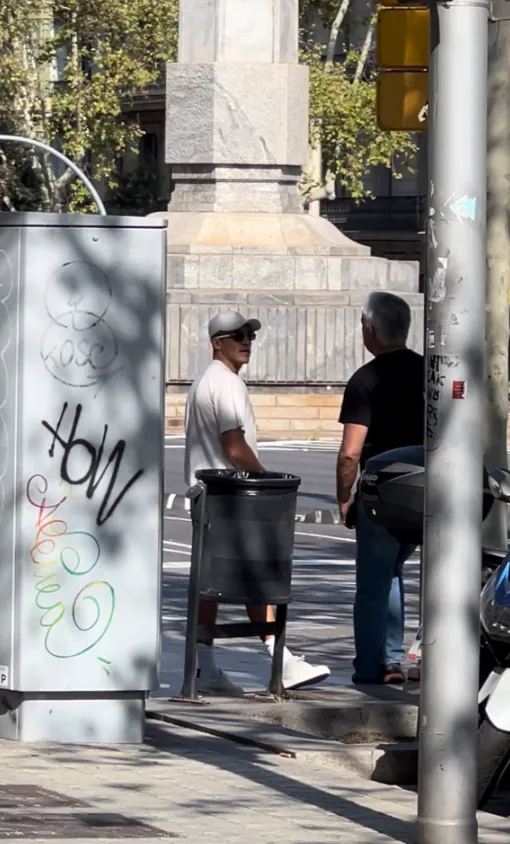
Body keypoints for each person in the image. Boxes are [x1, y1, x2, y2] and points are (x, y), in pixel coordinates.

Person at [184, 310, 330, 696]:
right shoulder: (227, 383)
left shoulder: (203, 380)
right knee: (258, 575)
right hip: (232, 494)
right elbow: (234, 447)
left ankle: (206, 667)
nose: (247, 341)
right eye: (238, 336)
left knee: (211, 581)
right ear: (218, 343)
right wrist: (265, 480)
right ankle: (281, 660)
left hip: (208, 494)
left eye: (250, 334)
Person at [336, 292, 424, 685]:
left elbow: (350, 453)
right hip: (427, 487)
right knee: (395, 571)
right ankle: (393, 657)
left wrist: (344, 497)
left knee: (374, 581)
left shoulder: (366, 379)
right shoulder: (431, 371)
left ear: (370, 329)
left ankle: (374, 665)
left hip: (383, 493)